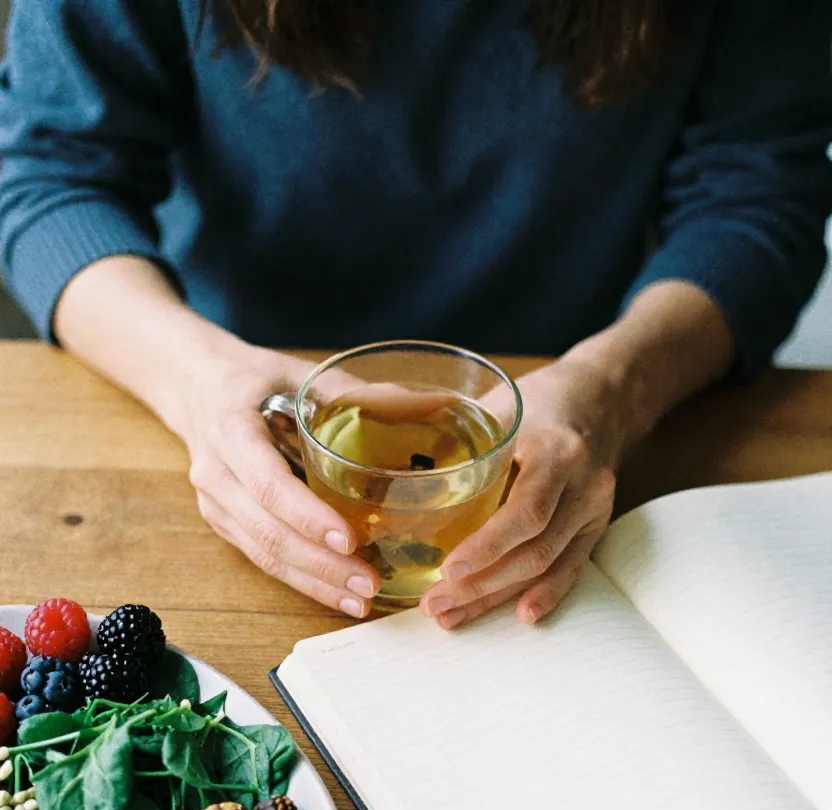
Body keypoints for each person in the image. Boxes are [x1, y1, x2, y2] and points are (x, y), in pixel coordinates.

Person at [0, 1, 830, 629]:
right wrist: (198, 384)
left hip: (573, 440)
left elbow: (758, 193)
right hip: (238, 431)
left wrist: (613, 387)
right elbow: (51, 172)